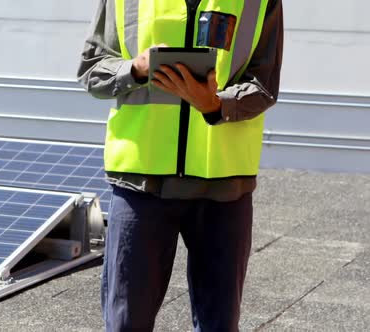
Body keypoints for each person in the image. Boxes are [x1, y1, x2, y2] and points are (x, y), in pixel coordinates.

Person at [77, 0, 283, 331]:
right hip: (141, 180)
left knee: (219, 324)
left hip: (224, 183)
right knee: (126, 322)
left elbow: (264, 83)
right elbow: (92, 68)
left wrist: (217, 104)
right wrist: (135, 69)